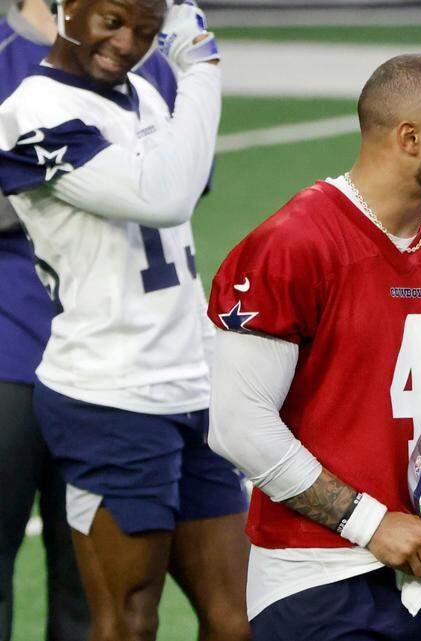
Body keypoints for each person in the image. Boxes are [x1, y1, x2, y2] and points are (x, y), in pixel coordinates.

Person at [206, 54, 421, 641]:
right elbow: (237, 427)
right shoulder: (292, 244)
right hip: (313, 579)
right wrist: (372, 523)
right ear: (410, 138)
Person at [0, 1, 250, 640]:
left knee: (239, 618)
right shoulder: (32, 110)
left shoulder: (141, 90)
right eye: (111, 21)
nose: (126, 43)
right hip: (111, 392)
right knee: (127, 621)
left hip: (192, 381)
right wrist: (202, 68)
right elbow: (164, 198)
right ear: (67, 9)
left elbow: (183, 185)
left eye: (144, 30)